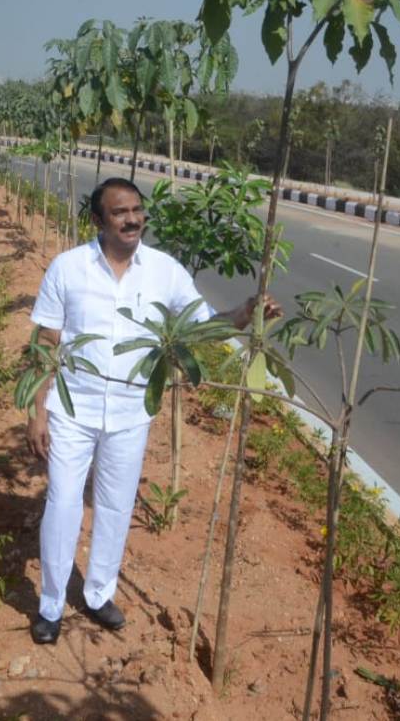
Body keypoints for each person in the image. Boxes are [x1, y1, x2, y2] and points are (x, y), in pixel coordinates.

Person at [26, 177, 280, 644]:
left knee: (116, 506)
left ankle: (99, 594)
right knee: (62, 504)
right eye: (120, 212)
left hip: (130, 412)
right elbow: (46, 342)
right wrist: (37, 411)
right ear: (99, 221)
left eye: (137, 210)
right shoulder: (68, 268)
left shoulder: (165, 270)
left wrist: (242, 315)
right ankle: (51, 604)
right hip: (72, 407)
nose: (133, 219)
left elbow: (199, 327)